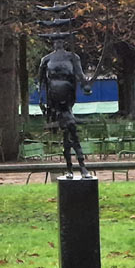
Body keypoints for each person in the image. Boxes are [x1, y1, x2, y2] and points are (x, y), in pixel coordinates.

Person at [38, 34, 93, 178]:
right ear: (53, 43)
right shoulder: (46, 59)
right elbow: (41, 81)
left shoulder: (72, 57)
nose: (58, 44)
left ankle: (72, 168)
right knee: (70, 128)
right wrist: (42, 101)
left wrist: (85, 86)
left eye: (61, 41)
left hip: (67, 96)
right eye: (56, 41)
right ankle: (80, 166)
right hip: (55, 99)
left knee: (68, 131)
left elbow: (80, 74)